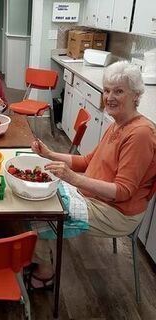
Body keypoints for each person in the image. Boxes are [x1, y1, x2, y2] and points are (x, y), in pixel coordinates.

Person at [30, 61, 156, 289]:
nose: (109, 97)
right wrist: (49, 154)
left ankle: (45, 271)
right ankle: (37, 255)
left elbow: (123, 192)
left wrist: (73, 178)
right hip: (92, 196)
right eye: (107, 90)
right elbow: (87, 161)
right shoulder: (118, 123)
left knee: (37, 214)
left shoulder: (140, 134)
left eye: (118, 91)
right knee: (35, 198)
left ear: (136, 96)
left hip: (116, 212)